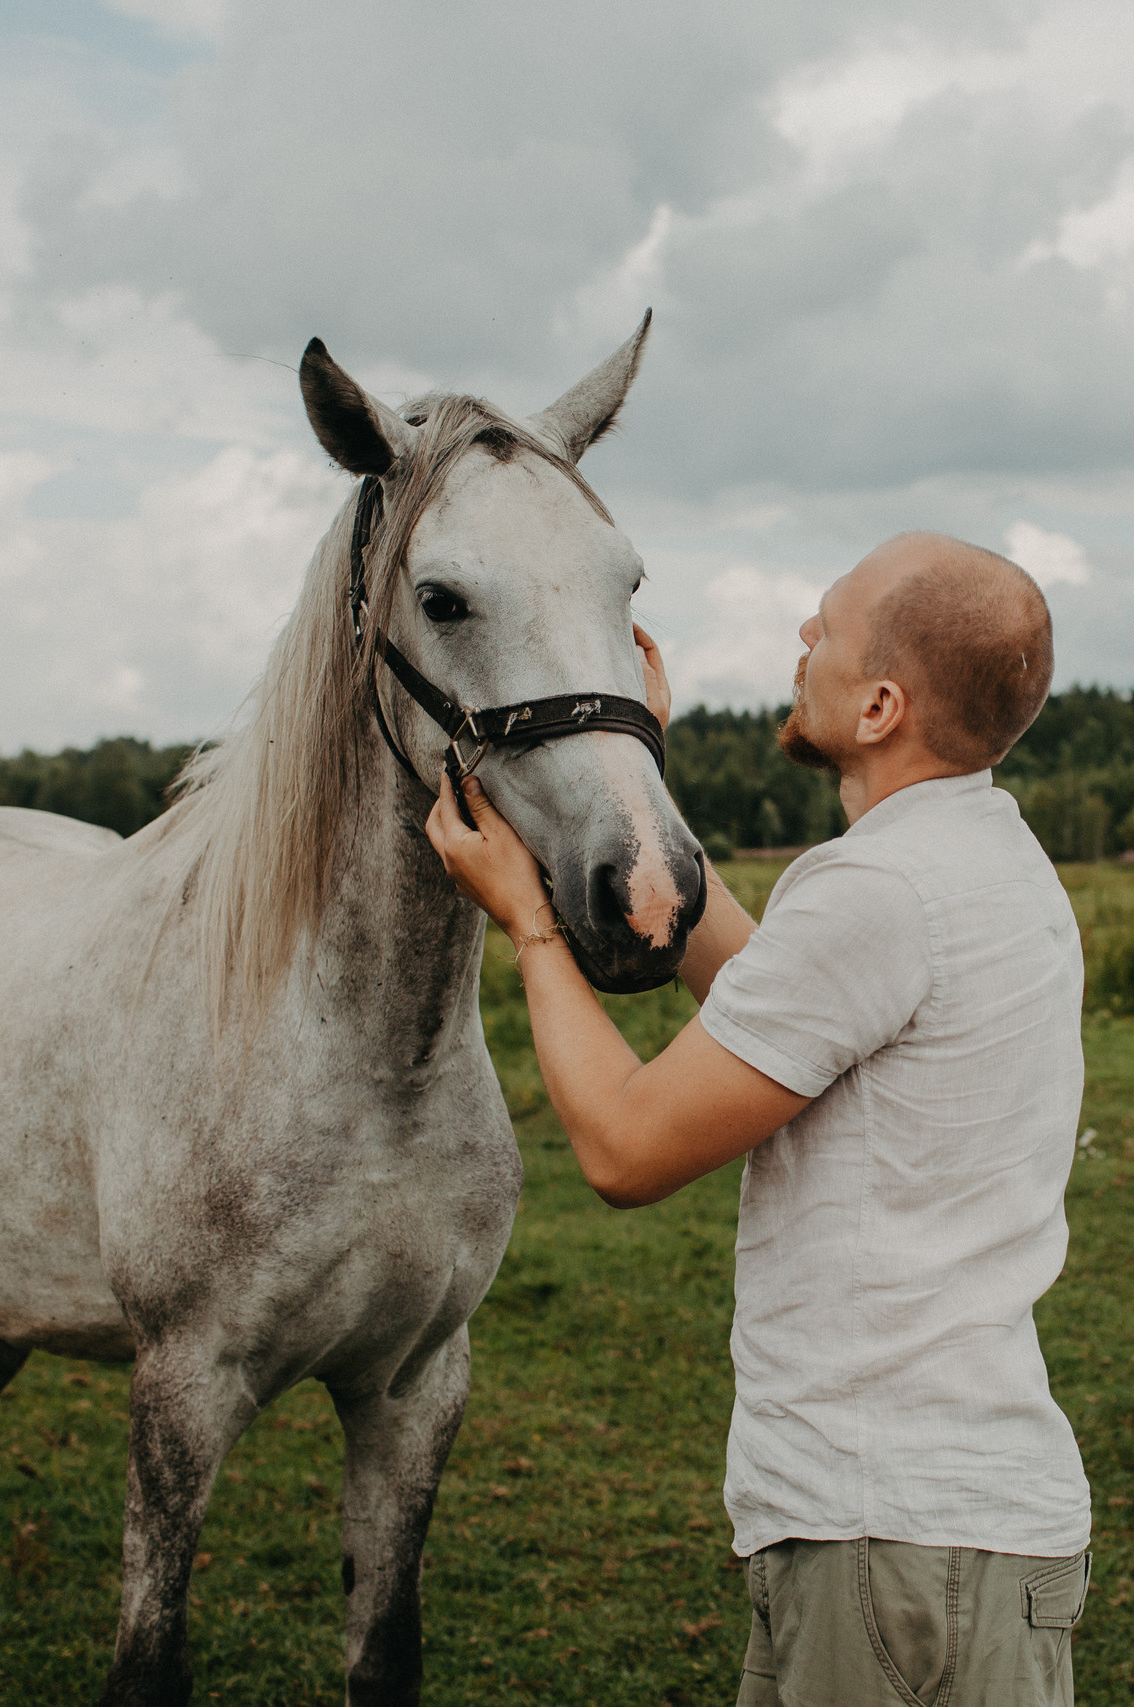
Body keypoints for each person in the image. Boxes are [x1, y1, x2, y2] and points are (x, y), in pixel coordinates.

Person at [426, 531, 1092, 1705]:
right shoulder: (975, 857)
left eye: (827, 626)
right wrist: (637, 788)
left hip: (893, 1548)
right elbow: (775, 996)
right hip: (931, 1534)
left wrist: (525, 920)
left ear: (880, 706)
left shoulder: (878, 892)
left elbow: (626, 1146)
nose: (802, 638)